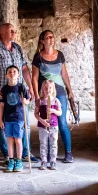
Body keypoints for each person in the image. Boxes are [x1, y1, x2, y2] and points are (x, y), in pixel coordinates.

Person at [0, 23, 39, 165]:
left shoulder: (18, 49)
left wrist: (31, 87)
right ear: (2, 33)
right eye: (10, 31)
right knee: (3, 125)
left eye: (14, 30)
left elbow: (25, 69)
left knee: (24, 122)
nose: (14, 32)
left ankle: (25, 152)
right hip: (3, 95)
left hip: (19, 92)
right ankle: (8, 155)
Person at [32, 30, 75, 163]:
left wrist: (70, 91)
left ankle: (68, 152)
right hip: (44, 93)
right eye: (48, 37)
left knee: (61, 122)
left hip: (59, 92)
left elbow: (64, 74)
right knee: (46, 122)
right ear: (42, 41)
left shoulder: (60, 55)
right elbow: (34, 78)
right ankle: (49, 153)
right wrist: (36, 96)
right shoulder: (38, 57)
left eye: (52, 36)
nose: (51, 38)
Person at [0, 65, 30, 172]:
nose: (12, 73)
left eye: (14, 71)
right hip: (7, 118)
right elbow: (2, 105)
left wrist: (24, 101)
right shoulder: (4, 89)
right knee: (10, 140)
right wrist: (0, 120)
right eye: (10, 72)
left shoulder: (21, 87)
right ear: (6, 75)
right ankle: (11, 160)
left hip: (18, 118)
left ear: (18, 75)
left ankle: (19, 160)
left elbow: (27, 100)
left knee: (18, 139)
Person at [34, 80, 62, 170]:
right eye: (46, 88)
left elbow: (60, 113)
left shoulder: (56, 101)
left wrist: (53, 111)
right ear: (42, 89)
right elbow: (36, 114)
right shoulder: (40, 101)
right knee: (43, 144)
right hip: (43, 126)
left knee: (53, 143)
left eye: (50, 87)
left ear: (53, 89)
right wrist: (42, 121)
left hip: (53, 126)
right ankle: (44, 161)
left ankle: (53, 161)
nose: (48, 89)